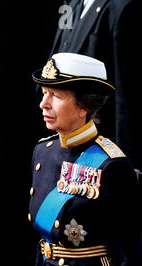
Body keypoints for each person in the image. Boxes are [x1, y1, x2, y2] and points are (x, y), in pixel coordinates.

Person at [28, 52, 142, 266]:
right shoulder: (42, 152)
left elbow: (130, 253)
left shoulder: (112, 165)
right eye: (44, 93)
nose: (43, 103)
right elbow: (46, 241)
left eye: (55, 96)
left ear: (84, 107)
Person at [51, 0, 142, 170]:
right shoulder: (71, 5)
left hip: (98, 154)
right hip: (64, 146)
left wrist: (128, 165)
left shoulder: (121, 7)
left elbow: (125, 99)